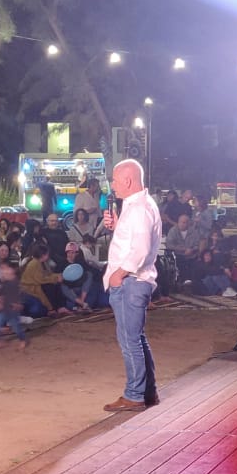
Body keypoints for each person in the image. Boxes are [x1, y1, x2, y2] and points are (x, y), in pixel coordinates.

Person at [100, 159, 161, 412]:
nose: (112, 185)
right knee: (136, 338)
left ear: (127, 180)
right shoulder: (138, 205)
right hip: (135, 281)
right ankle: (147, 391)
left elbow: (140, 249)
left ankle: (135, 394)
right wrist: (117, 226)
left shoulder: (139, 209)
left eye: (115, 180)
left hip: (131, 282)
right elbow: (133, 241)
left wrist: (119, 274)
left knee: (130, 340)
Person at [0, 260, 28, 350]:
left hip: (13, 310)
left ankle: (22, 340)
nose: (3, 271)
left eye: (5, 269)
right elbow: (1, 292)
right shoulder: (4, 283)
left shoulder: (16, 283)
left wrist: (19, 304)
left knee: (16, 327)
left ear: (12, 270)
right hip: (5, 309)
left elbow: (22, 294)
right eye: (2, 269)